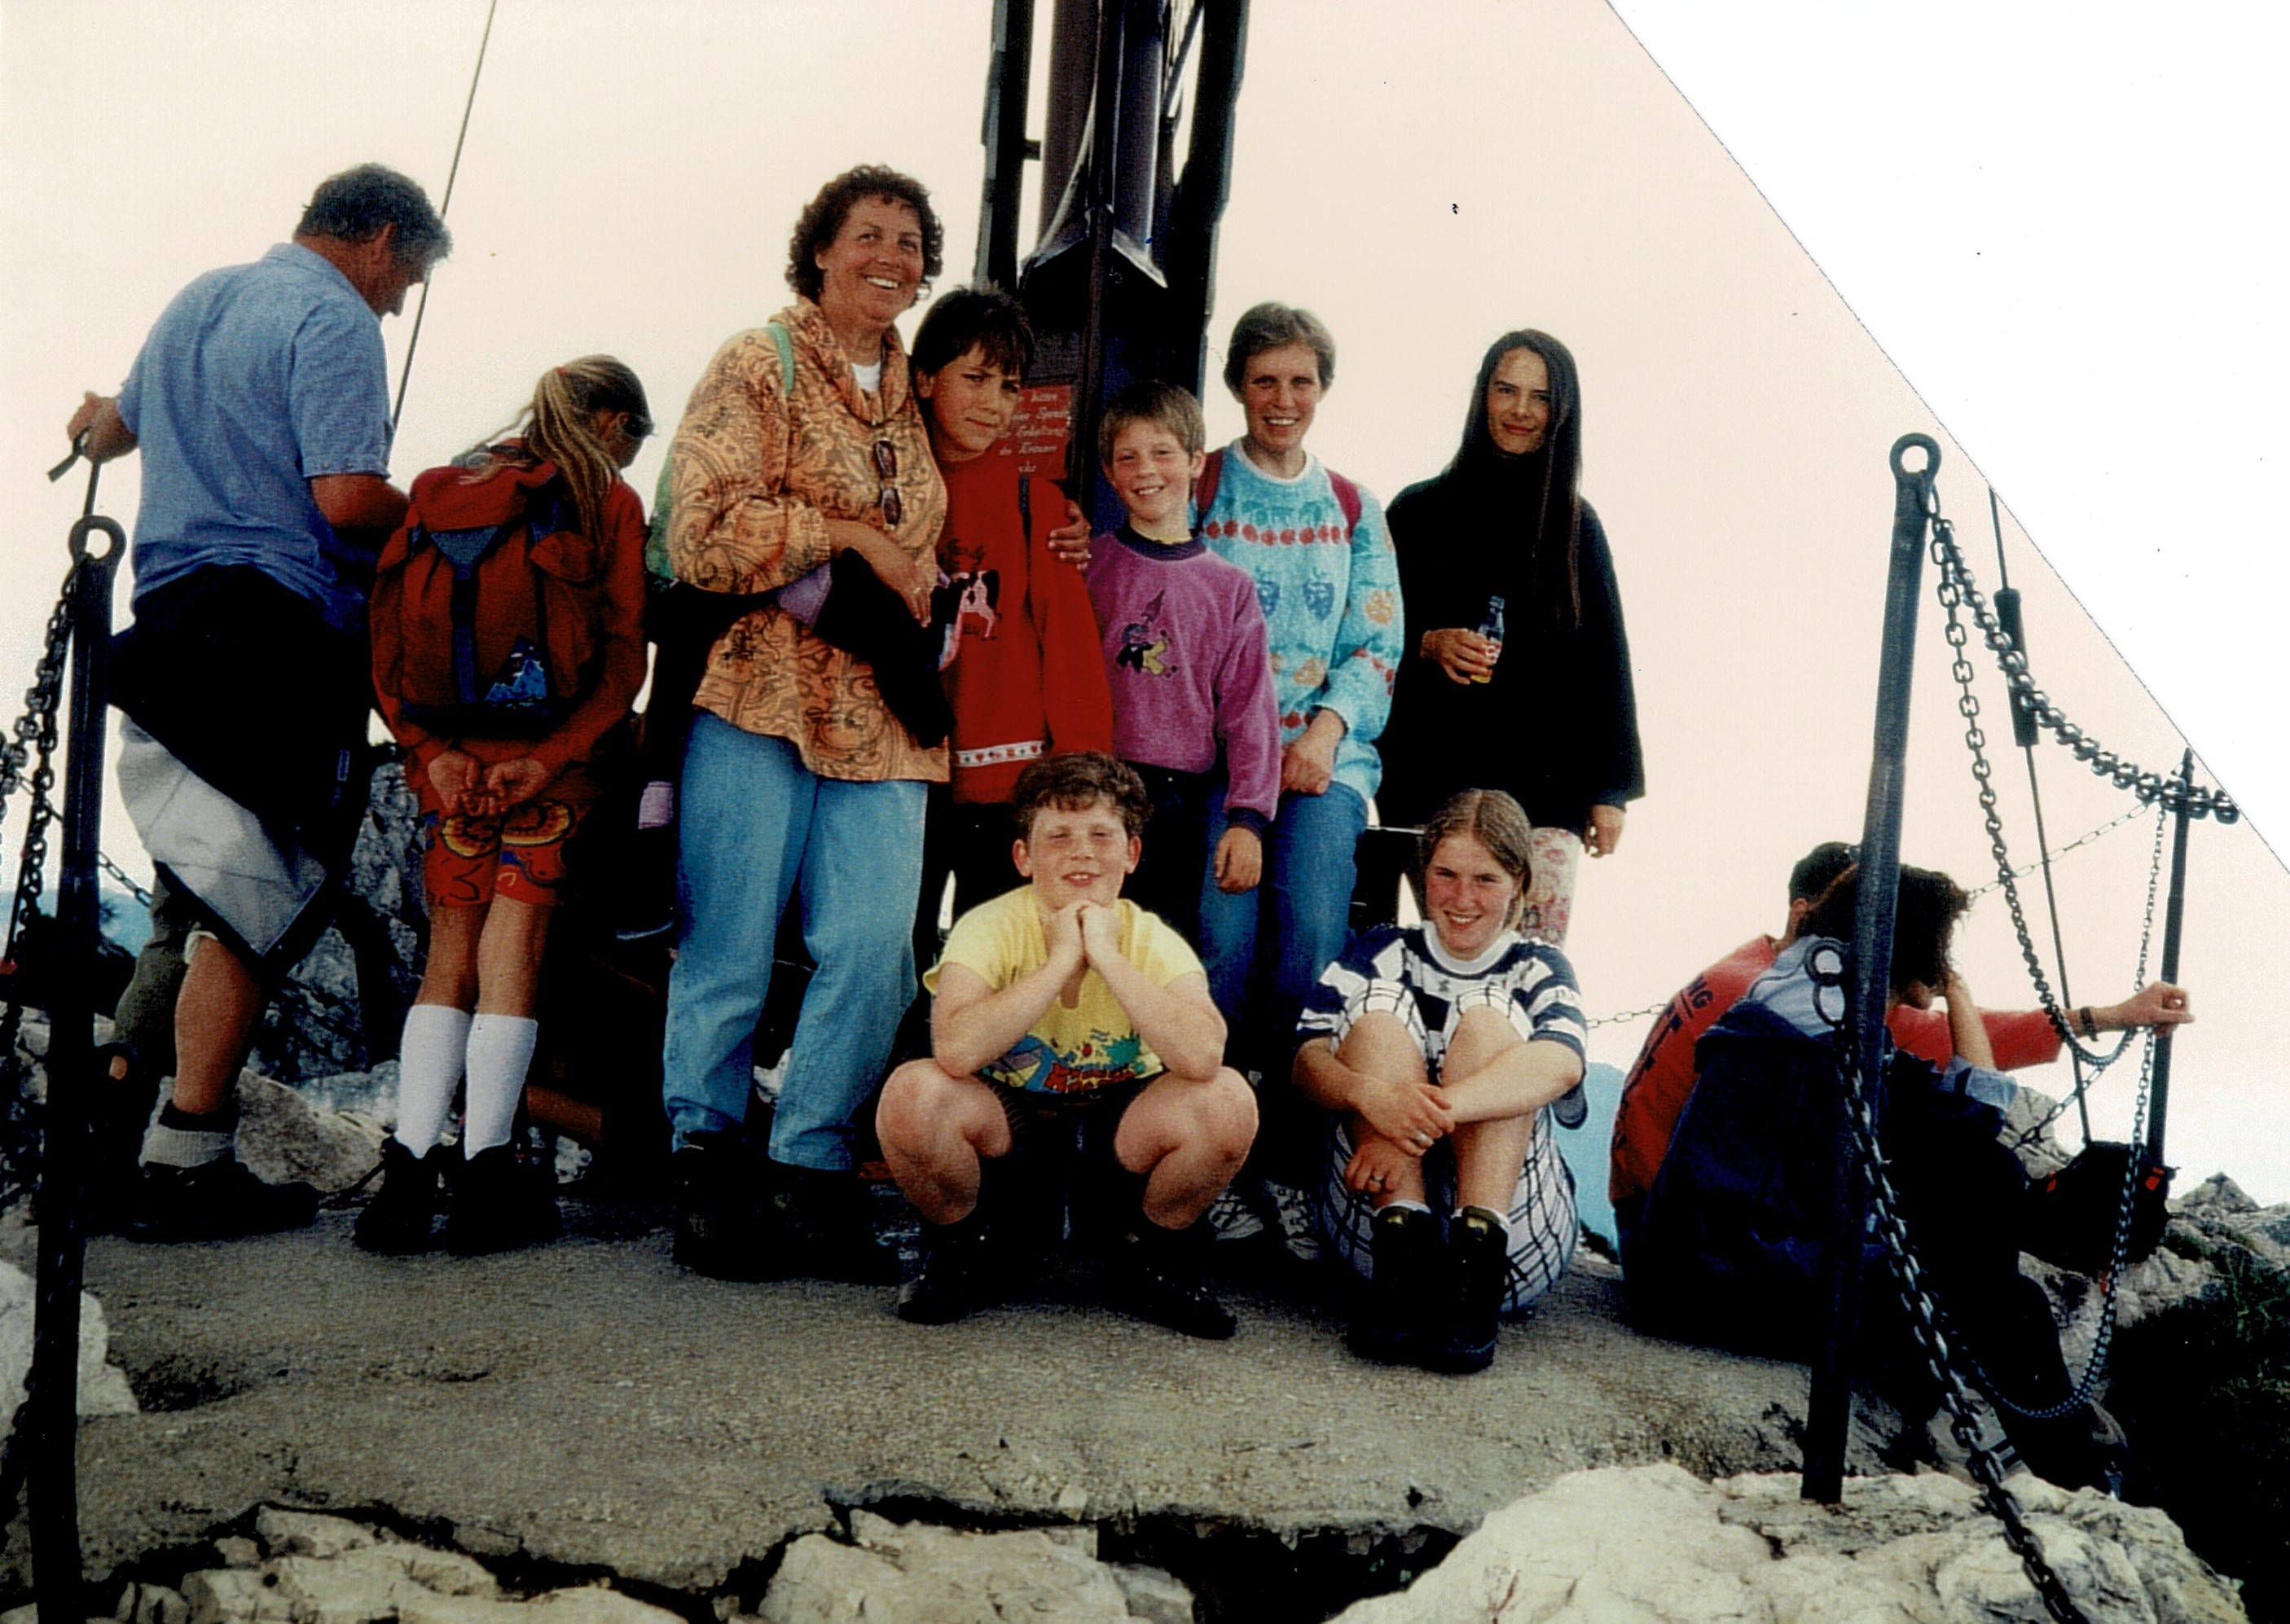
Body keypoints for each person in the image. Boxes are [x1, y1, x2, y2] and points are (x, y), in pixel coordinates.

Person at [64, 163, 450, 1240]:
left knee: (192, 898)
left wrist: (99, 413)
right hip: (273, 635)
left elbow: (108, 433)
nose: (397, 299)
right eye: (405, 277)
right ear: (379, 236)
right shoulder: (334, 320)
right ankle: (186, 1157)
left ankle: (115, 1145)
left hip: (171, 619)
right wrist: (434, 507)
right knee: (250, 899)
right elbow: (342, 496)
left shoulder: (199, 294)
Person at [1624, 861, 2195, 1488]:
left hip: (1698, 1261)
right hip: (1718, 1279)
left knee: (1976, 1208)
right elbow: (1974, 1111)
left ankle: (2063, 1448)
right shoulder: (1825, 1034)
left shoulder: (1800, 996)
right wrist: (1957, 990)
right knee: (2008, 1297)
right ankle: (2086, 1482)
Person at [657, 165, 952, 1284]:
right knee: (729, 937)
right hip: (758, 688)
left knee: (875, 944)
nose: (891, 256)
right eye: (868, 234)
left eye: (911, 241)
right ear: (820, 250)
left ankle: (808, 1171)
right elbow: (701, 533)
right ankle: (704, 1161)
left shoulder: (915, 392)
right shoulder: (757, 361)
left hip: (882, 711)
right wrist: (852, 537)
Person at [356, 358, 653, 1256]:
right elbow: (623, 656)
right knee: (514, 948)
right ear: (610, 420)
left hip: (451, 764)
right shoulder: (605, 499)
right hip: (544, 770)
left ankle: (407, 1173)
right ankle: (486, 1174)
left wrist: (431, 753)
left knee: (449, 955)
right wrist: (552, 757)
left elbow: (384, 635)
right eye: (633, 439)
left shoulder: (450, 485)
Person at [1607, 840, 2195, 1252]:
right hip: (1697, 1229)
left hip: (1671, 1208)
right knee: (1974, 1179)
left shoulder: (1765, 977)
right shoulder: (1806, 1014)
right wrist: (2111, 1016)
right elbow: (1959, 1065)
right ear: (1811, 910)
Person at [875, 753, 1258, 1337]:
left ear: (1131, 854)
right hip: (1012, 1135)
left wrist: (1104, 953)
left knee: (1227, 1101)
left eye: (1101, 835)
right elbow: (953, 1050)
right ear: (1023, 857)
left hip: (1118, 1139)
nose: (1081, 851)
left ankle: (1149, 1255)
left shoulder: (1150, 937)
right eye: (1058, 836)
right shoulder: (990, 926)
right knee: (913, 1094)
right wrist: (1060, 960)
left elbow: (1203, 1056)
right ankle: (967, 1247)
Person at [1191, 302, 1404, 1258]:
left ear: (1323, 388)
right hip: (1220, 762)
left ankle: (1288, 1157)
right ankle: (1211, 1155)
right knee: (1220, 945)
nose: (1284, 400)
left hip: (1322, 761)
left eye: (1301, 382)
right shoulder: (1201, 484)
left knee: (1312, 940)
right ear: (1239, 384)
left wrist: (1323, 731)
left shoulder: (1355, 508)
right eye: (1265, 380)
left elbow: (1377, 643)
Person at [1293, 790, 1588, 1375]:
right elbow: (1306, 1063)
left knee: (1486, 1015)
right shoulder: (1382, 949)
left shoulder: (1538, 965)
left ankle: (1470, 1278)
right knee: (1375, 1007)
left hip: (1509, 1247)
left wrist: (1408, 1124)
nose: (1460, 898)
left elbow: (1562, 1063)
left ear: (1518, 885)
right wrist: (1372, 1097)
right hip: (1377, 1236)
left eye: (1485, 879)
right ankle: (1401, 1265)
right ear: (1421, 874)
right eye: (1444, 874)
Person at [1379, 330, 1642, 950]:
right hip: (1432, 782)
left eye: (1539, 396)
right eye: (1506, 390)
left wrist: (1610, 792)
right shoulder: (1416, 512)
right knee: (1450, 953)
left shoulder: (1578, 527)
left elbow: (1607, 661)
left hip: (1547, 794)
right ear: (1482, 397)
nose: (1520, 410)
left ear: (1562, 412)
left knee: (1531, 961)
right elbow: (1368, 634)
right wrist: (1428, 643)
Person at [909, 287, 1113, 972]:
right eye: (974, 378)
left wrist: (1080, 771)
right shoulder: (891, 490)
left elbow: (1072, 649)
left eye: (1009, 386)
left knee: (994, 960)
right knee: (891, 948)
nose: (993, 403)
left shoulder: (1037, 501)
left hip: (1008, 789)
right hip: (901, 776)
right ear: (924, 377)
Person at [1083, 381, 1280, 941]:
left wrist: (1246, 820)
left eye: (1162, 452)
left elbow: (1250, 714)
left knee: (1158, 944)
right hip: (1094, 787)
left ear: (1196, 461)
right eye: (1128, 456)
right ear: (1108, 471)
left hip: (1178, 800)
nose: (1146, 469)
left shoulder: (1230, 588)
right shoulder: (1087, 567)